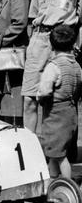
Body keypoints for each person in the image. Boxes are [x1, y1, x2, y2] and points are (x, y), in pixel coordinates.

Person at [21, 0, 82, 133]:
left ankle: (52, 151)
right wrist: (32, 43)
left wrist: (76, 47)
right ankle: (30, 147)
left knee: (55, 101)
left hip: (63, 44)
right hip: (39, 41)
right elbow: (32, 17)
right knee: (30, 99)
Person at [37, 25, 82, 179]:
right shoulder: (76, 66)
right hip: (70, 111)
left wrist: (40, 98)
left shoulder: (53, 66)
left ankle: (68, 184)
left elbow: (44, 90)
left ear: (51, 45)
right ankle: (52, 183)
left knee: (58, 154)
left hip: (55, 114)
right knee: (56, 151)